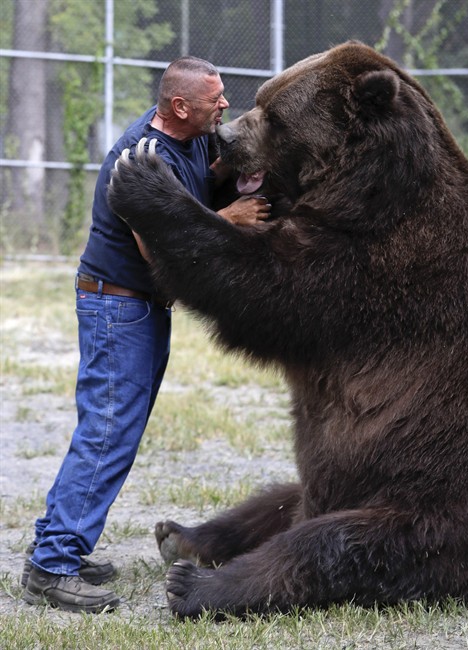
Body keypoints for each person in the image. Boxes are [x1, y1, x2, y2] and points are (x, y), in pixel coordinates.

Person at [22, 56, 270, 614]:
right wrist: (229, 219)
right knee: (108, 434)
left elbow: (210, 182)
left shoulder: (198, 140)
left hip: (140, 308)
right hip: (118, 307)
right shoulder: (141, 160)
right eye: (216, 98)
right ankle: (52, 566)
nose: (225, 106)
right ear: (181, 106)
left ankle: (56, 541)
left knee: (110, 431)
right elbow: (159, 252)